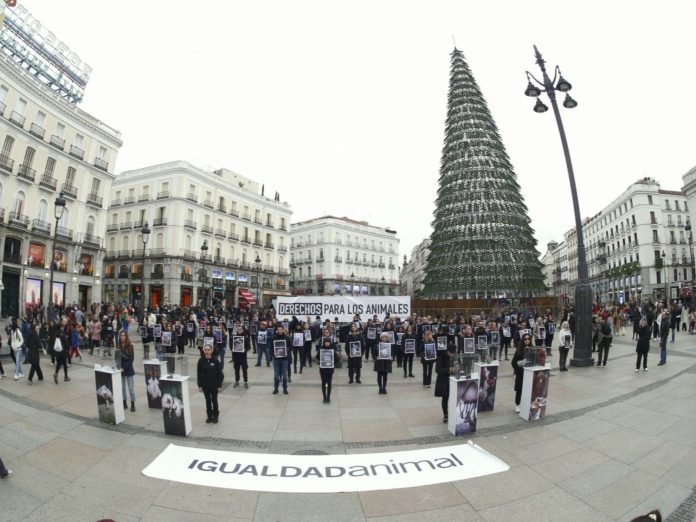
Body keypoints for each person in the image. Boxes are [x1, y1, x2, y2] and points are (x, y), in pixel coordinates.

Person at [197, 343, 223, 423]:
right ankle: (209, 416)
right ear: (203, 351)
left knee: (214, 400)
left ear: (211, 351)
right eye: (205, 350)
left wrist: (219, 385)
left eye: (208, 350)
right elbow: (199, 374)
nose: (207, 351)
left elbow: (220, 374)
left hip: (214, 385)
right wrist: (200, 385)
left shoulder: (215, 361)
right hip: (205, 385)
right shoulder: (201, 361)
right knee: (207, 401)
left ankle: (215, 416)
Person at [434, 336, 455, 423]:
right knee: (445, 398)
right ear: (447, 351)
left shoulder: (454, 356)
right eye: (451, 353)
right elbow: (437, 370)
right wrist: (449, 369)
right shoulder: (441, 357)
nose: (453, 355)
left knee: (453, 398)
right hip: (443, 381)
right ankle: (445, 414)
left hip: (453, 380)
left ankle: (454, 413)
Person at [511, 334, 532, 413]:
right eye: (525, 339)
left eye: (528, 339)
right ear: (523, 340)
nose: (527, 340)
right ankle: (518, 404)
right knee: (519, 389)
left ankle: (527, 403)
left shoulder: (532, 349)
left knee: (528, 389)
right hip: (521, 373)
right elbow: (513, 362)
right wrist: (519, 368)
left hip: (529, 373)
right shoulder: (519, 350)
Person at [118, 331, 136, 412]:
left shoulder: (130, 345)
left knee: (131, 388)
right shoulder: (118, 346)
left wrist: (123, 368)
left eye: (123, 335)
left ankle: (132, 403)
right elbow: (117, 357)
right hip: (121, 369)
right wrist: (118, 367)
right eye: (121, 335)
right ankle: (124, 402)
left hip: (128, 369)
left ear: (126, 336)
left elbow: (131, 359)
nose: (122, 337)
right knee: (122, 388)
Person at [230, 324, 250, 388]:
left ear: (243, 330)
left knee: (244, 369)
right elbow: (231, 345)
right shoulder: (234, 337)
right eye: (238, 329)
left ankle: (245, 382)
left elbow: (248, 347)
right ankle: (237, 381)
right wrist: (232, 349)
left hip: (243, 357)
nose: (239, 330)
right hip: (236, 357)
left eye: (241, 329)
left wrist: (245, 349)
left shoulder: (245, 337)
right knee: (236, 370)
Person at [271, 324, 289, 395]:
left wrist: (286, 351)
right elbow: (271, 348)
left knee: (285, 375)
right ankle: (276, 389)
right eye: (278, 329)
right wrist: (273, 354)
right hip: (276, 359)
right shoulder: (274, 338)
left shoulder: (287, 338)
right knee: (276, 375)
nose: (280, 331)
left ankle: (285, 389)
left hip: (284, 359)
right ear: (277, 330)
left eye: (281, 329)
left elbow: (290, 347)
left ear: (283, 330)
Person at [319, 336, 335, 403]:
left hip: (330, 369)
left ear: (330, 343)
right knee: (323, 383)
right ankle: (324, 397)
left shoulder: (332, 350)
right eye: (326, 342)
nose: (327, 343)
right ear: (324, 343)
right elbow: (317, 358)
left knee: (329, 383)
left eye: (328, 342)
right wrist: (320, 362)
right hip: (323, 369)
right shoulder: (321, 349)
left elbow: (336, 359)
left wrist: (332, 363)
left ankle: (328, 397)